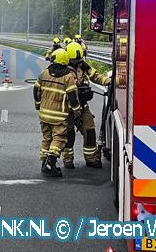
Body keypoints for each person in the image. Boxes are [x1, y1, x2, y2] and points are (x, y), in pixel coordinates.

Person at [61, 42, 110, 169]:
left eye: (79, 60)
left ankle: (91, 158)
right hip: (68, 108)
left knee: (90, 131)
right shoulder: (62, 68)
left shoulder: (83, 65)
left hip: (82, 106)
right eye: (74, 60)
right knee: (68, 134)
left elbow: (95, 75)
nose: (77, 62)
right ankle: (68, 159)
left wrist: (108, 81)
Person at [33, 48, 81, 177]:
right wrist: (77, 111)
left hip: (44, 114)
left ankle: (44, 163)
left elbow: (36, 91)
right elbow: (72, 96)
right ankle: (50, 163)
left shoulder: (44, 73)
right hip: (59, 115)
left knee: (47, 138)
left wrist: (38, 105)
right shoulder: (68, 77)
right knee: (59, 138)